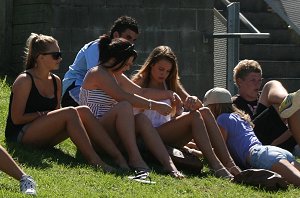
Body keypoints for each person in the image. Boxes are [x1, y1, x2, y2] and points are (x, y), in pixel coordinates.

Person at [5, 33, 132, 173]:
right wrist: (44, 114)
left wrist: (49, 115)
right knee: (71, 112)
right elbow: (16, 119)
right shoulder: (25, 80)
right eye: (55, 55)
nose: (60, 59)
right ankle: (96, 161)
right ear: (40, 57)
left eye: (60, 54)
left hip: (42, 134)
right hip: (20, 135)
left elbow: (56, 112)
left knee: (83, 110)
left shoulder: (56, 81)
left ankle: (120, 160)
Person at [79, 36, 185, 180]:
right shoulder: (97, 72)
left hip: (110, 132)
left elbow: (140, 92)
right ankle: (135, 158)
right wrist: (154, 106)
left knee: (141, 118)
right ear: (118, 59)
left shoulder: (116, 75)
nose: (128, 68)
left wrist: (169, 94)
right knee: (124, 106)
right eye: (127, 64)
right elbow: (122, 96)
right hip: (95, 134)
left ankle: (170, 166)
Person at [131, 46, 241, 178]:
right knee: (194, 117)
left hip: (166, 134)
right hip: (146, 136)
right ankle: (216, 165)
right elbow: (134, 97)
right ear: (151, 65)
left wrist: (193, 100)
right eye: (161, 69)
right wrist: (167, 94)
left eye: (168, 71)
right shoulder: (140, 80)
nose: (164, 74)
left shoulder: (170, 83)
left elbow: (197, 105)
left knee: (205, 111)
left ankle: (230, 163)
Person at [203, 87, 300, 187]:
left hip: (261, 157)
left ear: (213, 107)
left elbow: (219, 148)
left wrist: (196, 151)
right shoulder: (239, 117)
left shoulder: (222, 119)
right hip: (269, 152)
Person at [61, 15, 139, 107]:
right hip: (73, 91)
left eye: (134, 40)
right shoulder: (96, 46)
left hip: (92, 95)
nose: (131, 43)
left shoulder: (115, 57)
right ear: (116, 35)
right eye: (128, 37)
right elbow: (99, 78)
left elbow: (139, 91)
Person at [232, 59, 300, 153]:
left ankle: (290, 101)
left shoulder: (266, 98)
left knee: (291, 109)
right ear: (239, 82)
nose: (258, 84)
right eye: (253, 80)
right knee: (271, 85)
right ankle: (289, 100)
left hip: (280, 140)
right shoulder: (234, 104)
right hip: (254, 141)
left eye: (259, 80)